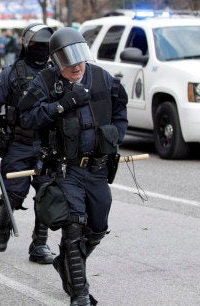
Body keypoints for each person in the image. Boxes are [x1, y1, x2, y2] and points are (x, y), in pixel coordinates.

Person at [18, 27, 128, 305]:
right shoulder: (44, 82)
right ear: (56, 60)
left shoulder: (102, 78)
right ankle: (79, 293)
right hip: (66, 169)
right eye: (67, 59)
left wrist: (114, 138)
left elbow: (120, 109)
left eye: (79, 56)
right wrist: (61, 105)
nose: (75, 64)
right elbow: (27, 117)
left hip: (98, 168)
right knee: (74, 226)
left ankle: (64, 263)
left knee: (98, 227)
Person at [0, 23, 55, 264]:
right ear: (27, 46)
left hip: (48, 147)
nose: (42, 50)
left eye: (47, 46)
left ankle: (39, 245)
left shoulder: (56, 72)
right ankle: (1, 222)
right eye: (37, 45)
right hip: (19, 144)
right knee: (15, 193)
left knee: (48, 195)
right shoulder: (10, 74)